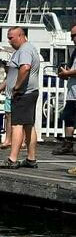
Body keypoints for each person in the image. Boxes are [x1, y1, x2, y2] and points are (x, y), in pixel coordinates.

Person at [0, 26, 41, 169]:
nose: (9, 41)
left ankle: (12, 159)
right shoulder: (25, 50)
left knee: (17, 125)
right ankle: (31, 159)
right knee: (28, 126)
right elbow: (12, 75)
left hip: (23, 94)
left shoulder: (24, 50)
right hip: (30, 93)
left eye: (11, 37)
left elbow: (25, 68)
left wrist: (17, 87)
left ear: (20, 35)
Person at [54, 24, 76, 155]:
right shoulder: (74, 52)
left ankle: (68, 144)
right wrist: (65, 73)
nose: (73, 38)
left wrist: (66, 74)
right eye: (72, 35)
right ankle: (68, 143)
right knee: (68, 118)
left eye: (74, 35)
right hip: (72, 92)